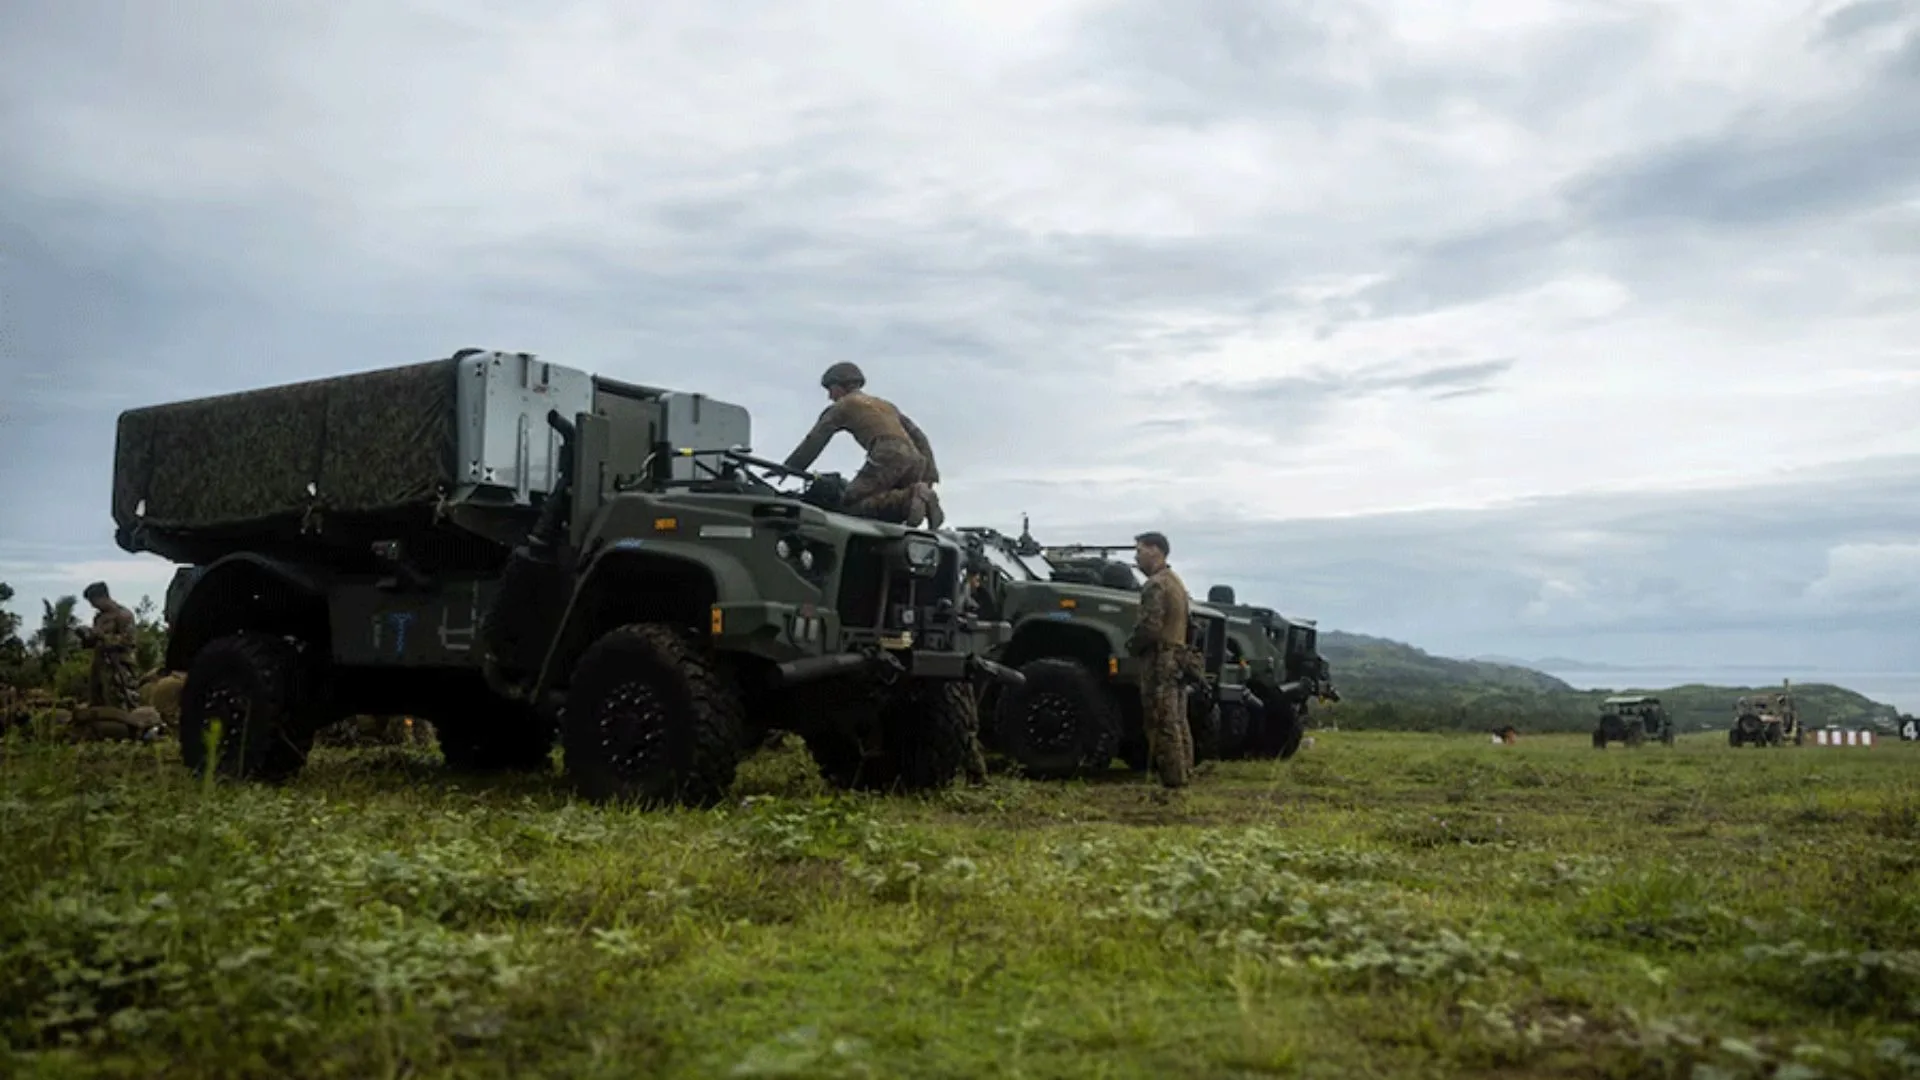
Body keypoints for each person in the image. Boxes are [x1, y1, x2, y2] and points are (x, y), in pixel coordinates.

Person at [782, 362, 943, 528]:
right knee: (882, 508)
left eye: (830, 389)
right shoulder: (885, 405)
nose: (830, 396)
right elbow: (919, 437)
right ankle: (912, 498)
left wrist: (790, 467)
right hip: (915, 458)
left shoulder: (842, 406)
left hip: (887, 452)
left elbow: (814, 440)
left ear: (840, 386)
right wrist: (929, 475)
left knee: (848, 504)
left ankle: (913, 495)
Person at [1125, 531, 1193, 788]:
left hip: (1161, 658)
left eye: (1140, 551)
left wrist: (1132, 646)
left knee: (1162, 719)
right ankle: (1184, 772)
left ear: (1155, 550)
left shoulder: (1156, 584)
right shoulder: (1176, 582)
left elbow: (1150, 626)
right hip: (1178, 655)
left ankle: (1172, 781)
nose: (1136, 557)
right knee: (1177, 719)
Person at [76, 582, 140, 713]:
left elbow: (129, 641)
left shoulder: (123, 615)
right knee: (97, 703)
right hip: (100, 665)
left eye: (94, 602)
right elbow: (96, 642)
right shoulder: (99, 618)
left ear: (103, 597)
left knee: (120, 703)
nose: (93, 606)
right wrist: (87, 637)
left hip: (119, 666)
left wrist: (102, 636)